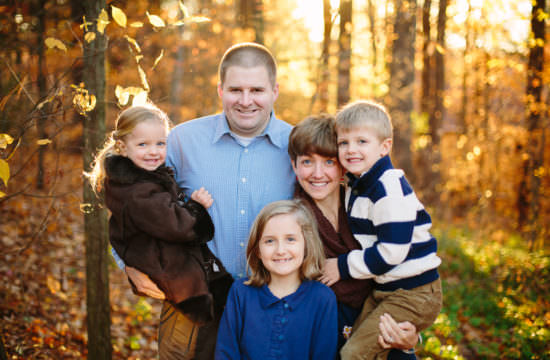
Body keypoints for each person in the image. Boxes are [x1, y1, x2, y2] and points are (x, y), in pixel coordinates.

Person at [114, 43, 296, 359]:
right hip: (192, 299)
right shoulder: (182, 141)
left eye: (257, 90)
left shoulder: (297, 149)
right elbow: (128, 196)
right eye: (235, 90)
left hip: (272, 302)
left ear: (275, 91)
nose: (246, 101)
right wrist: (127, 264)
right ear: (220, 89)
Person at [288, 114, 420, 359]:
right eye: (307, 162)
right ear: (294, 166)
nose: (318, 173)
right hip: (326, 337)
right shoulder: (291, 221)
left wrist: (412, 334)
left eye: (328, 162)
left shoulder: (370, 203)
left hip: (386, 323)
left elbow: (408, 268)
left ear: (343, 164)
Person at [86, 104, 232, 325]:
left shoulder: (142, 179)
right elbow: (176, 224)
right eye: (143, 144)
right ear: (123, 148)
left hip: (163, 258)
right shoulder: (138, 191)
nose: (153, 151)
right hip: (167, 268)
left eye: (160, 143)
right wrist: (196, 208)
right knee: (208, 314)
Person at [321, 100, 443, 360]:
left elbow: (392, 252)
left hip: (414, 292)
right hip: (387, 290)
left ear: (384, 147)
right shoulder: (359, 183)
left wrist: (341, 266)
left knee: (355, 354)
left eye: (362, 142)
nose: (351, 149)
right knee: (363, 345)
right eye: (344, 143)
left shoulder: (387, 188)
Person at [215, 200, 338, 359]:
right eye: (270, 241)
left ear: (306, 244)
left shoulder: (323, 298)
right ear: (258, 249)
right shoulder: (241, 293)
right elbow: (226, 353)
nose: (280, 250)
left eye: (290, 239)